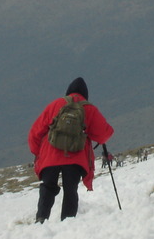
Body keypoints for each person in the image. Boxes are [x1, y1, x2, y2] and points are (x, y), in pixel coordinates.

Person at [28, 77, 114, 222]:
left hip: (50, 156)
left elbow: (35, 133)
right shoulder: (89, 109)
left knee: (48, 187)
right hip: (75, 158)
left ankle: (41, 219)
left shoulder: (55, 104)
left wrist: (38, 153)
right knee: (70, 190)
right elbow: (105, 134)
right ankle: (67, 223)